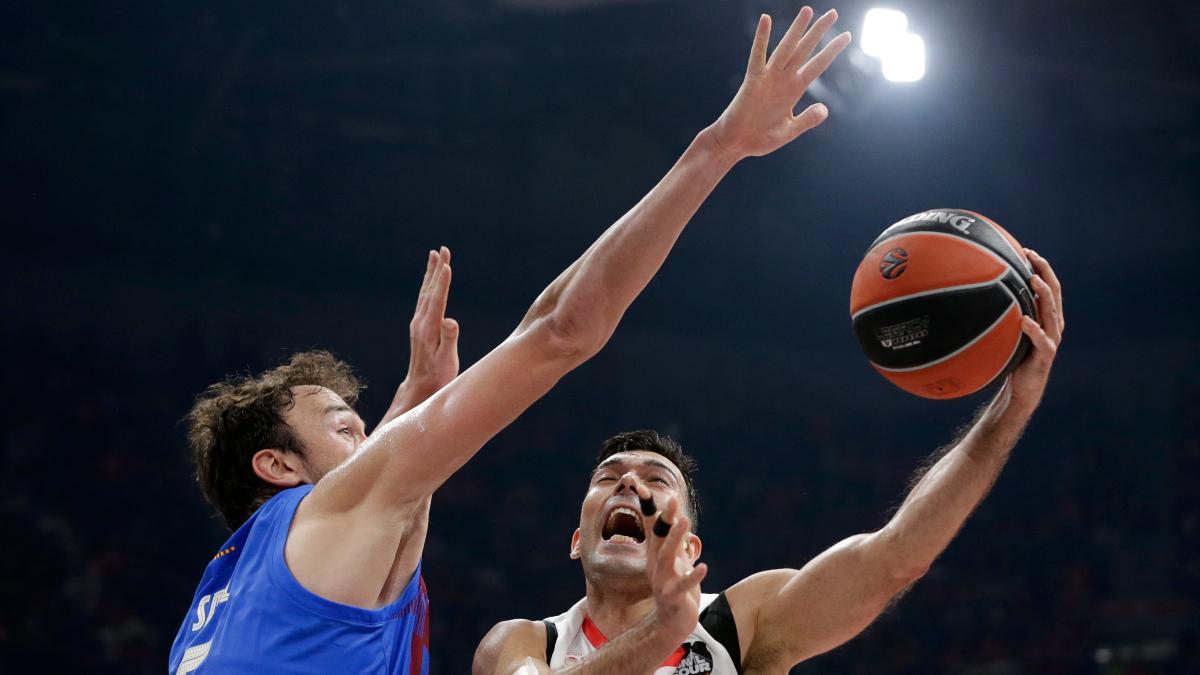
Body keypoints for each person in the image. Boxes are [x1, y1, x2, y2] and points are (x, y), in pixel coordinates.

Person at [168, 4, 852, 672]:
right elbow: (561, 329)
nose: (376, 441)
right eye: (348, 428)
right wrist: (719, 146)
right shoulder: (341, 508)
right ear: (279, 466)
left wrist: (416, 396)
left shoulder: (215, 602)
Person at [472, 245, 1065, 675]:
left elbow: (897, 554)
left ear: (688, 549)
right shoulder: (522, 644)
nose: (629, 482)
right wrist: (662, 632)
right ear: (576, 538)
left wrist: (1012, 410)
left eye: (656, 479)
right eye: (609, 478)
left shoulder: (745, 623)